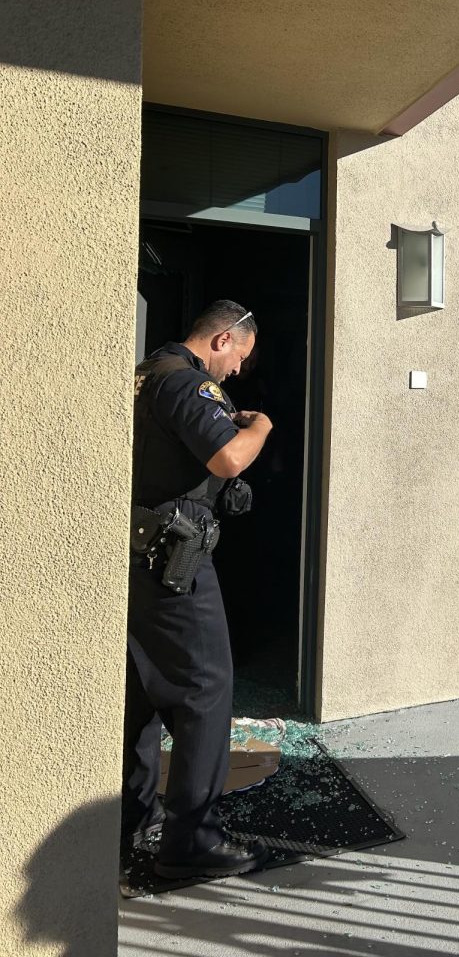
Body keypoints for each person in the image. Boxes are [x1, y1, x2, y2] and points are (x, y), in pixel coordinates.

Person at [123, 300, 273, 879]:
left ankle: (134, 824)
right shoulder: (186, 384)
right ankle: (193, 843)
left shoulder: (144, 373)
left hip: (136, 556)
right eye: (239, 356)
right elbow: (230, 457)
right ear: (222, 339)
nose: (237, 371)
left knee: (141, 691)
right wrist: (260, 425)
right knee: (206, 688)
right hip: (172, 560)